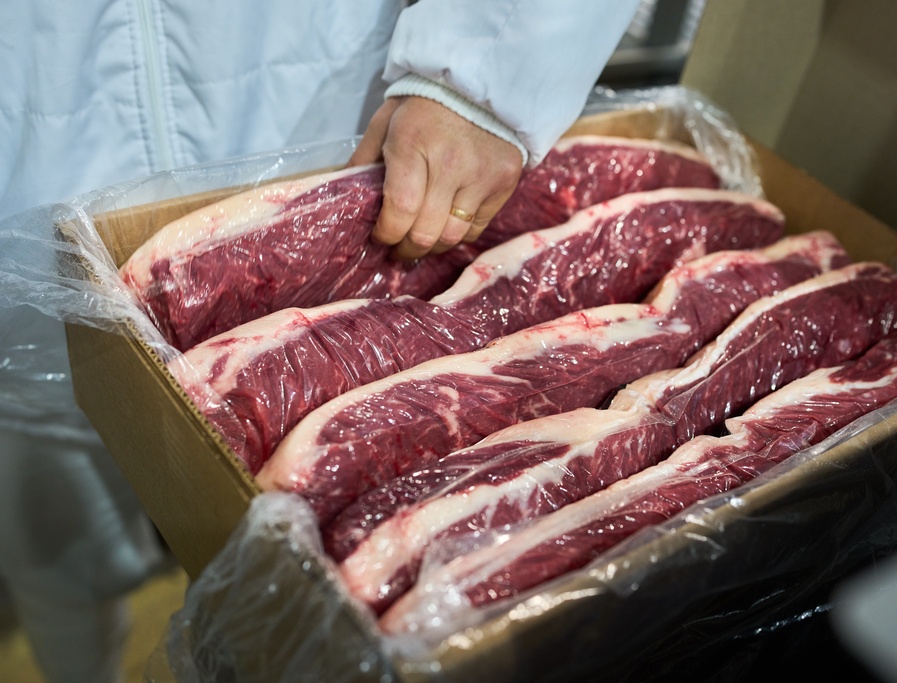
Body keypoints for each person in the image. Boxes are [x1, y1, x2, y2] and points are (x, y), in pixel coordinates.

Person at [0, 1, 643, 681]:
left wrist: (487, 69)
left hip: (329, 148)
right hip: (30, 196)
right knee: (56, 540)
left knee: (284, 532)